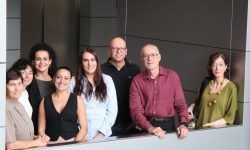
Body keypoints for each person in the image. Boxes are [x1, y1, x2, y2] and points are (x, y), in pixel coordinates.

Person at [130, 44, 189, 139]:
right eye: (145, 55)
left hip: (168, 125)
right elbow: (136, 111)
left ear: (159, 57)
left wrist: (183, 123)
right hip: (146, 126)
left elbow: (180, 103)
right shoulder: (136, 81)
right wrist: (150, 128)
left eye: (153, 55)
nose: (149, 58)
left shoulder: (172, 76)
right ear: (142, 59)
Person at [68, 48, 118, 140]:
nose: (90, 64)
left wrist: (101, 134)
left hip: (104, 136)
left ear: (97, 62)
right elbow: (69, 112)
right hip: (79, 136)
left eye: (92, 60)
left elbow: (112, 111)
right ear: (81, 63)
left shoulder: (107, 80)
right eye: (85, 60)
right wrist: (80, 134)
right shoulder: (73, 82)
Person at [101, 36, 141, 136]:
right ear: (109, 51)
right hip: (106, 125)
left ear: (126, 51)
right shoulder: (100, 70)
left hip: (130, 124)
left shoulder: (135, 69)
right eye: (114, 48)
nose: (118, 51)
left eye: (121, 48)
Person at [188, 52, 237, 128]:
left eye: (221, 64)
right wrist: (190, 108)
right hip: (198, 130)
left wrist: (209, 125)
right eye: (214, 64)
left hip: (216, 132)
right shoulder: (206, 82)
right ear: (210, 67)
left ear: (225, 67)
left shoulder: (231, 87)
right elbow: (198, 100)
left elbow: (229, 118)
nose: (217, 68)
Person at [38, 66, 87, 142]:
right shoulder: (44, 100)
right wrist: (46, 142)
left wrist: (75, 145)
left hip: (73, 141)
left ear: (70, 80)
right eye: (58, 77)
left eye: (66, 78)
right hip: (51, 144)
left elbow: (84, 128)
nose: (62, 81)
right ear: (54, 79)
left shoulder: (78, 99)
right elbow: (41, 129)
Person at [5, 69, 50, 150]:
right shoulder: (5, 108)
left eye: (19, 83)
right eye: (12, 84)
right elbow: (10, 145)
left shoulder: (18, 104)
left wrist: (37, 138)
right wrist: (36, 143)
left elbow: (21, 134)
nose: (17, 88)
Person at [27, 43, 57, 135]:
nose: (42, 63)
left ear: (50, 61)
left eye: (45, 59)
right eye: (38, 59)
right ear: (33, 62)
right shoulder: (28, 82)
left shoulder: (58, 81)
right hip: (34, 132)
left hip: (55, 130)